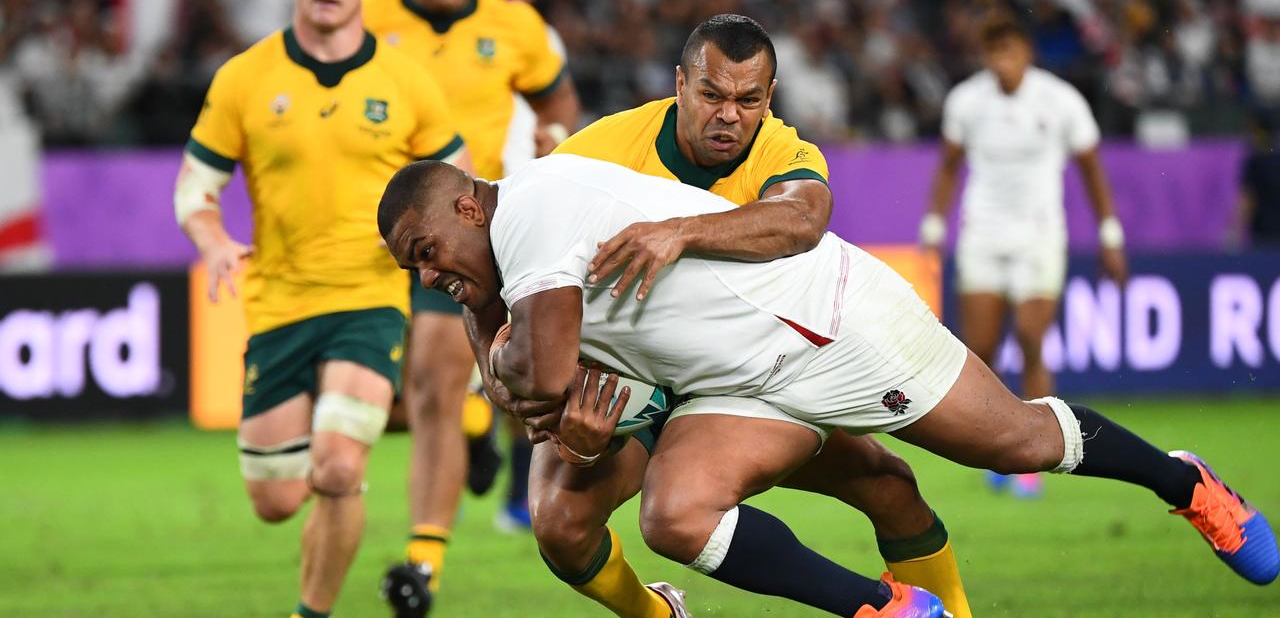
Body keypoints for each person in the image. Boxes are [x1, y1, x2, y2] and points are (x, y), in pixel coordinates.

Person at [378, 151, 1279, 616]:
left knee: (1016, 440)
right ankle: (883, 608)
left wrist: (524, 382)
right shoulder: (494, 265)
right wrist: (540, 398)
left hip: (828, 325)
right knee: (672, 517)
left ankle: (1186, 483)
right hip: (729, 385)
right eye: (415, 270)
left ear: (468, 206)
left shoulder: (528, 210)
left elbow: (534, 380)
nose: (429, 276)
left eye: (427, 254)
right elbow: (535, 401)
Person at [511, 13, 972, 618]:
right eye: (711, 95)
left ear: (766, 98)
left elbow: (805, 219)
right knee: (558, 525)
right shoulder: (598, 152)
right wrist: (539, 403)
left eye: (746, 99)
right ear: (680, 84)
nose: (728, 114)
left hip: (740, 381)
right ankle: (658, 614)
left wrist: (681, 233)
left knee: (886, 482)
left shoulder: (778, 147)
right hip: (631, 380)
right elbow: (522, 276)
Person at [173, 0, 464, 618]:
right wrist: (213, 244)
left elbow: (459, 189)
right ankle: (336, 511)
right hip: (278, 305)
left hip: (368, 302)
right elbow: (194, 190)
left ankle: (313, 612)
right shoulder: (245, 78)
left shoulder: (404, 81)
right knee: (275, 500)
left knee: (337, 467)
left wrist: (451, 260)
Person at [362, 0, 581, 613]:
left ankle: (423, 563)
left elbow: (559, 102)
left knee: (430, 381)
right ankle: (480, 422)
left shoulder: (514, 27)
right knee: (385, 402)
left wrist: (555, 139)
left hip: (454, 239)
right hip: (361, 234)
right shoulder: (365, 16)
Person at [919, 11, 1127, 498]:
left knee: (1032, 338)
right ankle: (994, 447)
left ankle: (1034, 456)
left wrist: (1110, 236)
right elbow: (949, 167)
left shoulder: (1061, 100)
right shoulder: (967, 101)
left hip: (1039, 235)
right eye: (993, 52)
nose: (1002, 62)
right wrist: (933, 224)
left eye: (1009, 50)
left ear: (1026, 52)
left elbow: (1092, 172)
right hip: (983, 235)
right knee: (982, 350)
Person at [479, 0, 569, 532]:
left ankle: (517, 479)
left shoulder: (543, 43)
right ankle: (468, 438)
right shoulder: (467, 37)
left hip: (524, 211)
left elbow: (562, 116)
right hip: (468, 205)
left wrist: (557, 141)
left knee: (516, 346)